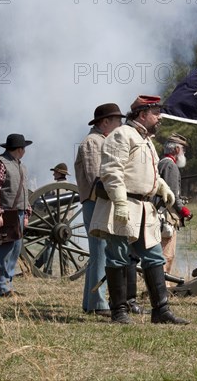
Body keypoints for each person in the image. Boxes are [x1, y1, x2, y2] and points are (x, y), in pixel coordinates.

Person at [90, 95, 189, 325]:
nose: (159, 117)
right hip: (123, 205)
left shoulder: (145, 140)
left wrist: (161, 186)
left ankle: (161, 311)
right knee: (118, 258)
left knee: (154, 258)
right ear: (142, 115)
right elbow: (111, 171)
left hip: (144, 209)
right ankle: (119, 311)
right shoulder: (121, 135)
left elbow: (149, 171)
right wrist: (120, 202)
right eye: (156, 113)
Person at [76, 103, 146, 317]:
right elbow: (96, 177)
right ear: (104, 122)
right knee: (101, 252)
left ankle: (92, 302)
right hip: (96, 201)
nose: (120, 125)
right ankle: (98, 303)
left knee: (101, 253)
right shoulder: (93, 142)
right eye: (116, 121)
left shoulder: (102, 140)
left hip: (102, 201)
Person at [0, 134, 32, 297]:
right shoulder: (0, 164)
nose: (25, 151)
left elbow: (24, 192)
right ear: (20, 149)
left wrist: (26, 213)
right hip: (4, 214)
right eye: (24, 148)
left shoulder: (21, 166)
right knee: (3, 252)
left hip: (17, 214)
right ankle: (0, 287)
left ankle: (7, 285)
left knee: (14, 251)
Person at [157, 133, 192, 281]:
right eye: (183, 150)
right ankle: (162, 287)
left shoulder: (162, 162)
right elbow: (172, 195)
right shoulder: (170, 165)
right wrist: (184, 211)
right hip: (166, 215)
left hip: (160, 212)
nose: (183, 153)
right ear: (177, 150)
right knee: (167, 254)